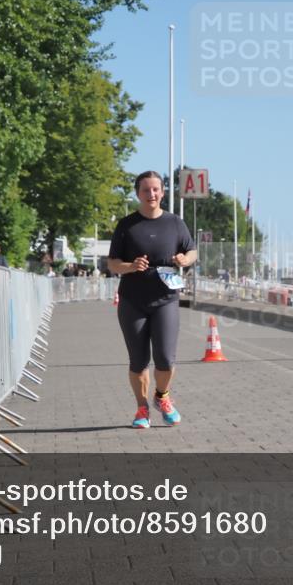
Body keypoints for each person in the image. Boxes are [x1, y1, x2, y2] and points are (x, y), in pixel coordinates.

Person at [107, 170, 197, 429]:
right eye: (146, 190)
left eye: (156, 189)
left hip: (166, 298)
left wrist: (184, 260)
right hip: (132, 300)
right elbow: (113, 263)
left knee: (166, 358)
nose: (152, 194)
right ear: (138, 193)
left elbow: (191, 251)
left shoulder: (175, 223)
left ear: (163, 192)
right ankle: (141, 408)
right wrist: (131, 265)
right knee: (138, 359)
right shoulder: (126, 225)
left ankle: (162, 396)